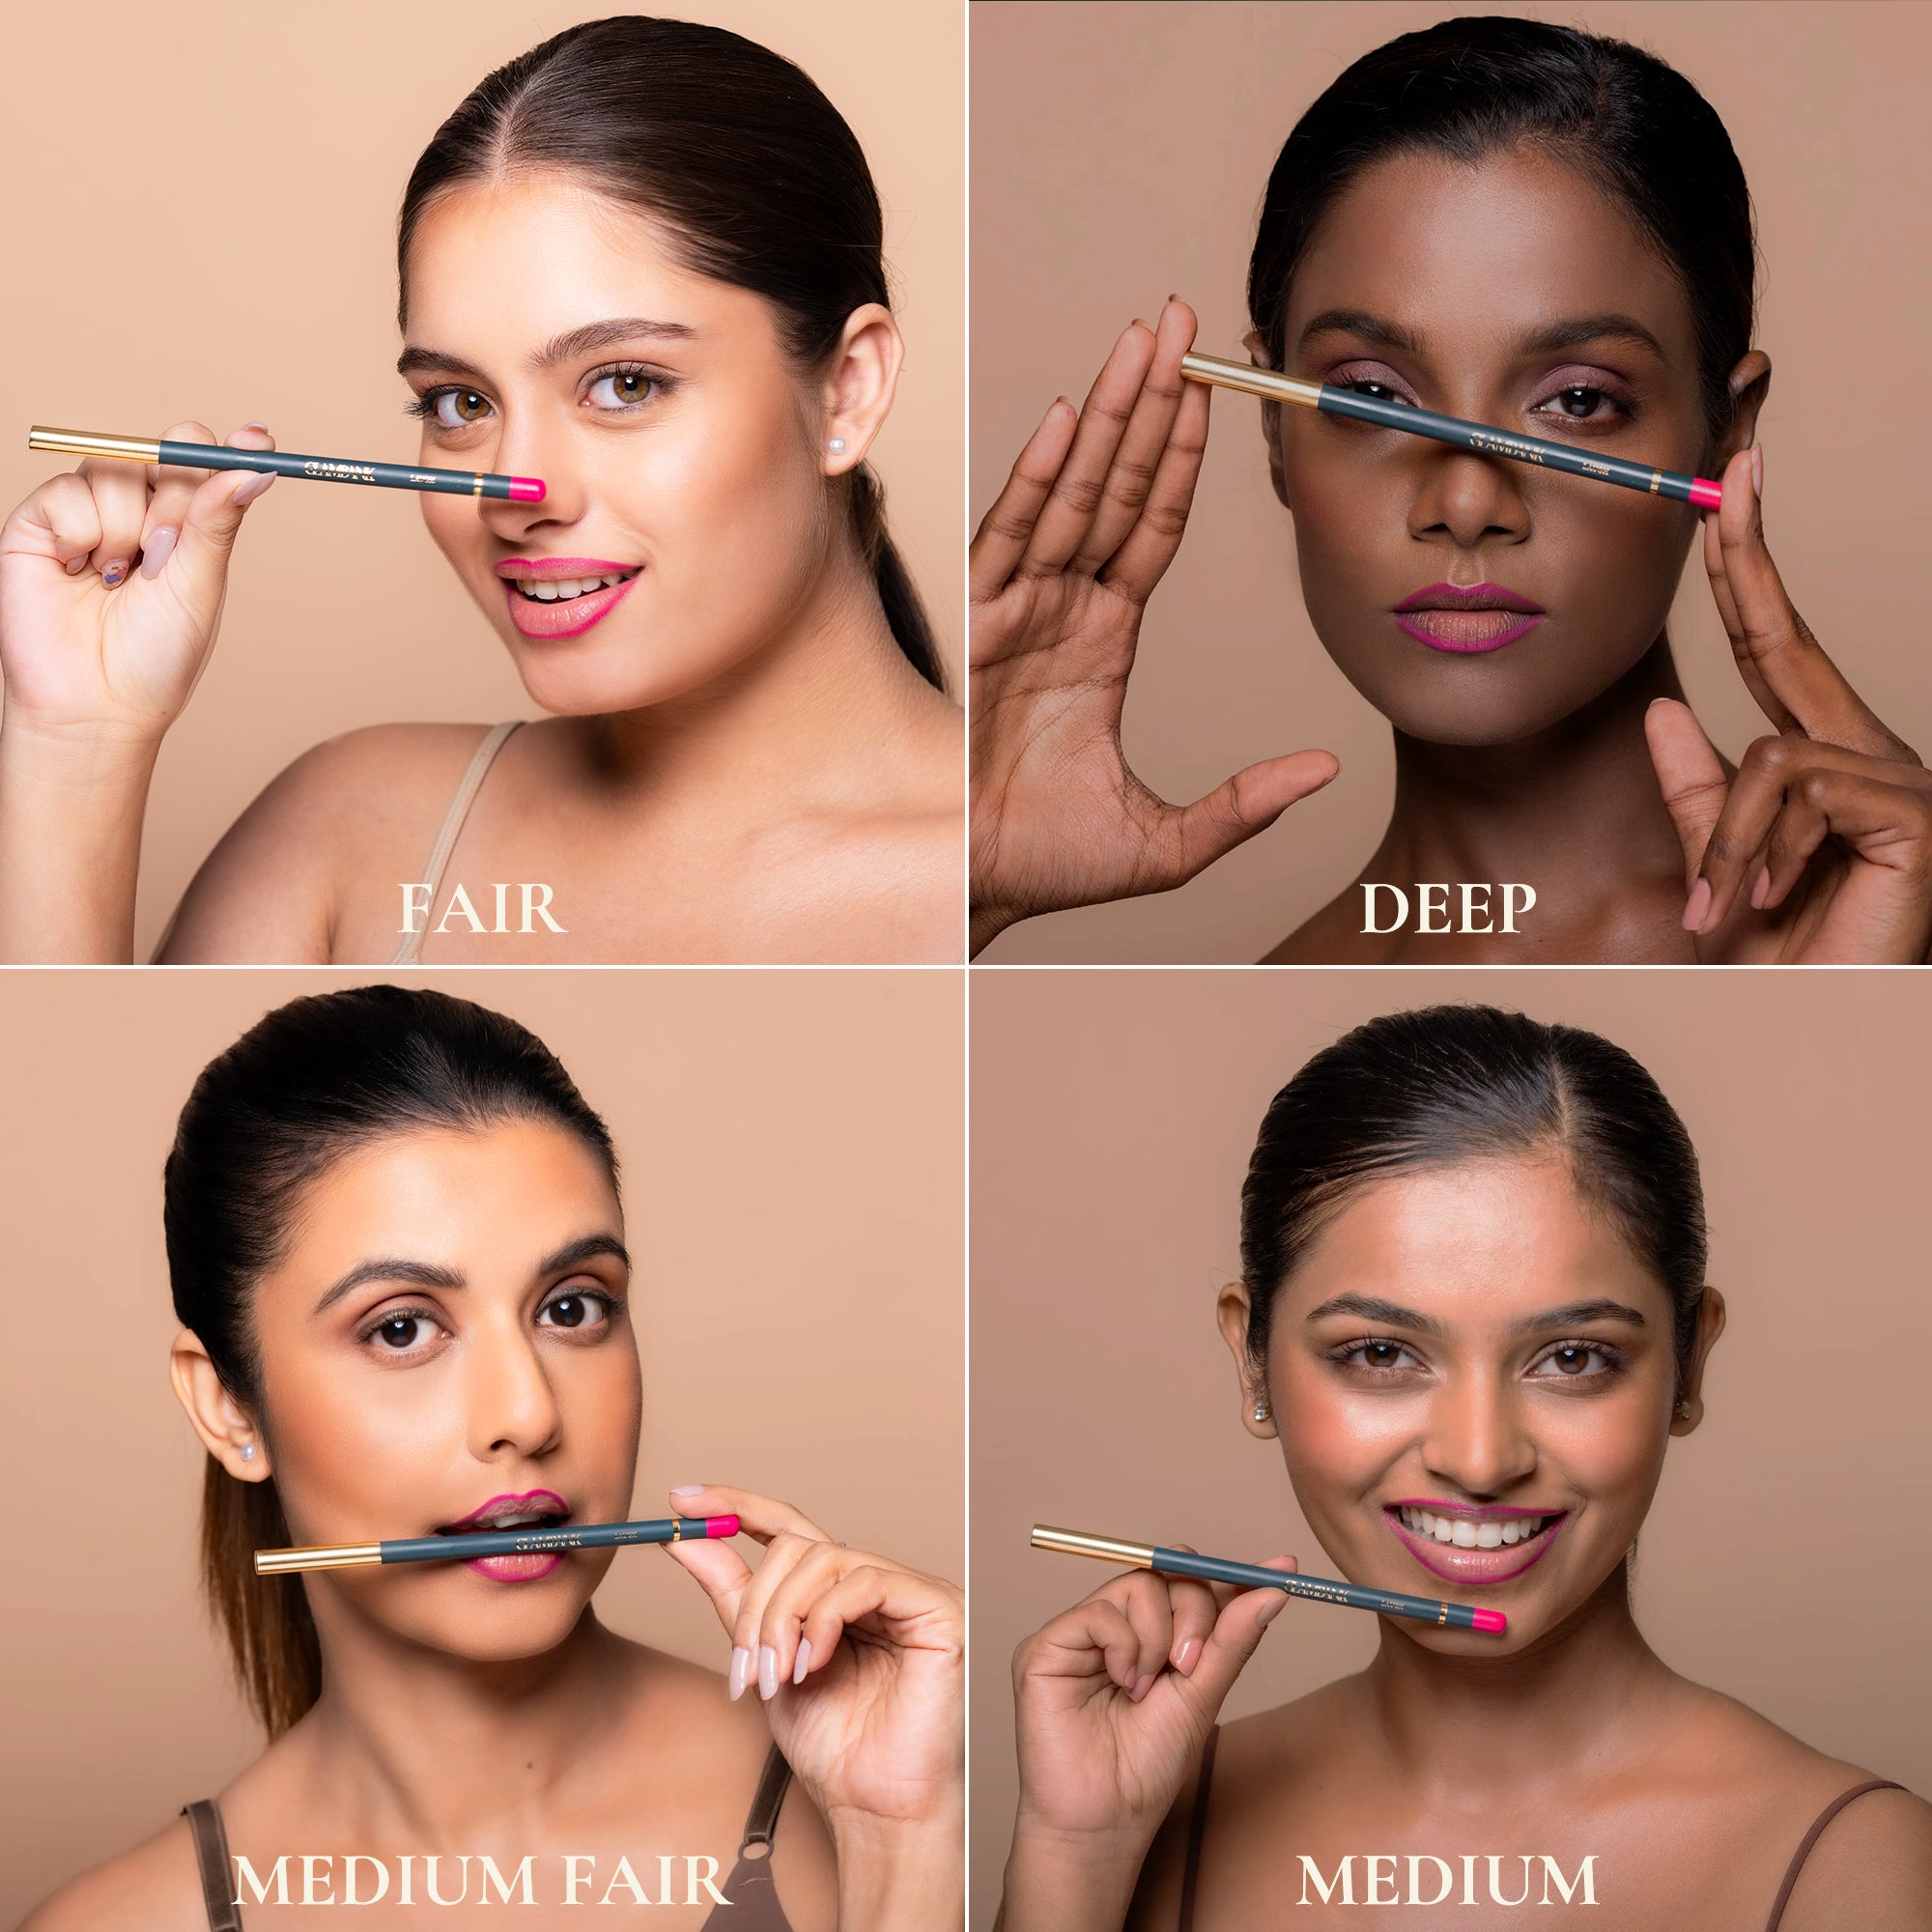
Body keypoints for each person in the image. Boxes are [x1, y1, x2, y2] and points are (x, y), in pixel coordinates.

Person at [0, 16, 960, 966]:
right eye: (461, 402)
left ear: (847, 389)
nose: (514, 489)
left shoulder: (1000, 865)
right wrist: (78, 746)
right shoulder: (345, 839)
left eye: (625, 383)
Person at [970, 15, 1931, 964]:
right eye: (1371, 396)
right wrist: (962, 880)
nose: (1466, 505)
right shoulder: (1275, 1002)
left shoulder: (1874, 934)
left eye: (1579, 400)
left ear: (1727, 435)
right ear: (1272, 424)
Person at [22, 985, 963, 1930]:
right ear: (229, 1407)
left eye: (571, 1307)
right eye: (401, 1328)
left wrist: (903, 1836)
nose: (527, 1413)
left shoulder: (862, 1797)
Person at [998, 1006, 1932, 1930]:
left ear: (1689, 1367)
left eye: (1573, 1357)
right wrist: (1075, 1855)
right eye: (1380, 1354)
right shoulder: (1138, 1821)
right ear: (1253, 1362)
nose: (1480, 1461)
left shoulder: (1856, 1872)